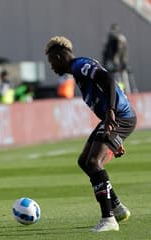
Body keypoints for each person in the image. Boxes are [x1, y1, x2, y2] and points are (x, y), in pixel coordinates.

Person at [45, 36, 137, 232]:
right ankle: (117, 207)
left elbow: (109, 79)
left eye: (52, 61)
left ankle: (108, 219)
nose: (52, 67)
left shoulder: (80, 65)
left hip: (119, 116)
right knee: (84, 161)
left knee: (94, 162)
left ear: (60, 56)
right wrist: (113, 137)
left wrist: (111, 111)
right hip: (112, 119)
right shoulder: (78, 74)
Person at [102, 24, 130, 93]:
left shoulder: (117, 39)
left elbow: (121, 51)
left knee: (119, 78)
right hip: (116, 62)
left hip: (116, 63)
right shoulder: (120, 38)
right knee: (118, 78)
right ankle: (122, 91)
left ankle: (122, 91)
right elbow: (106, 52)